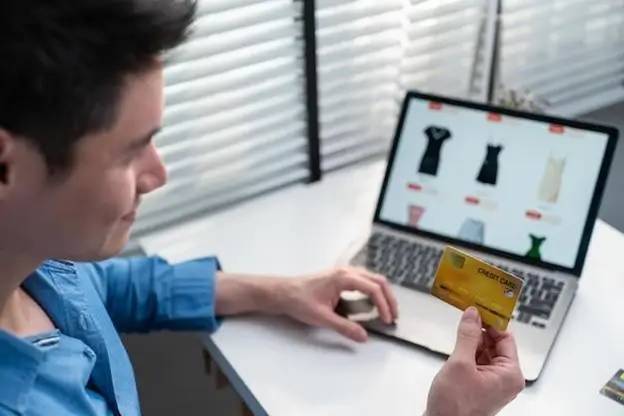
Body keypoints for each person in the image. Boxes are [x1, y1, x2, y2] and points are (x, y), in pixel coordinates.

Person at [0, 1, 525, 415]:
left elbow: (101, 288)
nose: (158, 175)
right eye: (132, 149)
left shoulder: (33, 260)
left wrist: (278, 292)